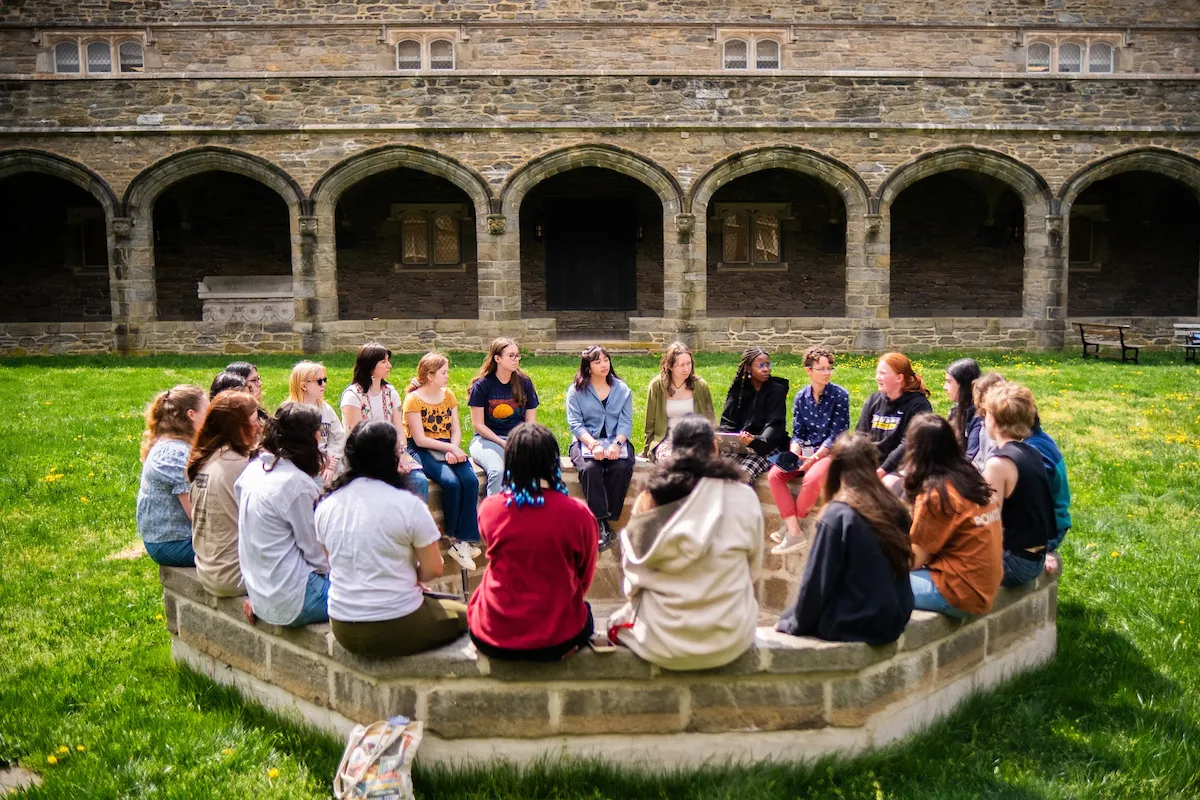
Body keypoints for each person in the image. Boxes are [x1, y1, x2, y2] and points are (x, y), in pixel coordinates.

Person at [608, 415, 763, 670]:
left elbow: (632, 574)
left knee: (614, 623)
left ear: (673, 450)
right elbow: (753, 569)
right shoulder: (744, 496)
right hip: (729, 637)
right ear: (714, 447)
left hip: (661, 638)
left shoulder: (651, 499)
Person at [316, 421, 468, 658]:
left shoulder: (327, 504)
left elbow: (333, 562)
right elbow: (434, 568)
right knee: (470, 617)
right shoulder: (408, 505)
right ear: (393, 457)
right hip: (395, 622)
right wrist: (410, 578)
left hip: (342, 624)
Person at [468, 423, 598, 661]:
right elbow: (584, 578)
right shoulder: (579, 514)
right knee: (586, 614)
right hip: (558, 639)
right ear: (553, 461)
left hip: (493, 634)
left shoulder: (489, 509)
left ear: (511, 461)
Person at [775, 433, 914, 646]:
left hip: (857, 623)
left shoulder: (837, 516)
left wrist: (793, 623)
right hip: (894, 619)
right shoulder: (895, 508)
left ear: (836, 468)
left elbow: (817, 584)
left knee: (787, 616)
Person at [236, 404, 329, 627]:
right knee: (377, 596)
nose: (322, 437)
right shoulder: (296, 485)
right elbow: (315, 554)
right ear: (310, 438)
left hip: (262, 593)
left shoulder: (252, 470)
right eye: (320, 431)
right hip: (295, 599)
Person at [901, 414, 1003, 618]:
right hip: (984, 585)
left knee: (873, 581)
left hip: (959, 592)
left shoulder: (937, 495)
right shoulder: (969, 477)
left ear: (915, 450)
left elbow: (914, 561)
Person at [767, 346, 851, 555]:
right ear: (809, 371)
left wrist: (815, 457)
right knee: (775, 475)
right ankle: (794, 530)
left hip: (831, 453)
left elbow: (837, 435)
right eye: (821, 369)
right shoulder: (801, 397)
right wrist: (794, 453)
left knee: (812, 480)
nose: (827, 373)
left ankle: (790, 527)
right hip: (805, 452)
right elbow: (798, 432)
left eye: (829, 368)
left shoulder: (840, 395)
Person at [404, 352, 481, 568]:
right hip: (423, 447)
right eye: (443, 372)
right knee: (450, 482)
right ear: (429, 375)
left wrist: (453, 447)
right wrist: (449, 448)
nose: (448, 375)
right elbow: (419, 438)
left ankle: (464, 540)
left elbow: (455, 428)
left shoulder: (448, 395)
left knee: (470, 480)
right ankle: (453, 539)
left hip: (448, 444)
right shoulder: (413, 400)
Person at [187, 391, 263, 597]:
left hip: (208, 571)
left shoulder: (205, 457)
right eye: (255, 421)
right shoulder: (240, 467)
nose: (259, 427)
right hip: (236, 577)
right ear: (237, 427)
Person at [981, 383, 1055, 587]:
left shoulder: (998, 464)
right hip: (1035, 557)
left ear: (993, 420)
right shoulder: (1032, 452)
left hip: (1014, 563)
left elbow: (989, 522)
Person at [566, 345, 635, 551]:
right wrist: (594, 444)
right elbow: (575, 424)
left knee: (621, 468)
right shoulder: (576, 391)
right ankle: (600, 523)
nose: (604, 365)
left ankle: (605, 520)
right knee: (589, 469)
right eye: (598, 362)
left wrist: (617, 444)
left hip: (617, 441)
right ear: (588, 367)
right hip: (586, 442)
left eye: (606, 360)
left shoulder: (622, 389)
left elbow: (627, 423)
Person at [339, 342, 428, 501]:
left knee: (419, 481)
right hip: (363, 459)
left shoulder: (390, 392)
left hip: (392, 452)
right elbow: (358, 438)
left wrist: (400, 456)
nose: (389, 365)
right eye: (384, 362)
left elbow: (399, 429)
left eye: (388, 360)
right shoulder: (352, 396)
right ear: (370, 366)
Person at [136, 385, 209, 567]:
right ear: (191, 414)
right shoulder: (174, 453)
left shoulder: (174, 444)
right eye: (207, 411)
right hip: (172, 544)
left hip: (173, 539)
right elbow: (195, 513)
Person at [467, 338, 539, 496]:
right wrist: (501, 442)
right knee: (498, 471)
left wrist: (520, 442)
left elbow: (530, 422)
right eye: (511, 356)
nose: (516, 360)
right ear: (497, 359)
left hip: (517, 439)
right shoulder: (482, 385)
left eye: (518, 355)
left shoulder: (525, 383)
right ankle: (494, 518)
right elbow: (478, 425)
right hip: (486, 440)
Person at [718, 347, 789, 485]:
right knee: (719, 472)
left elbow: (775, 426)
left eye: (768, 364)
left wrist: (755, 441)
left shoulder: (776, 390)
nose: (766, 369)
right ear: (749, 368)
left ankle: (744, 506)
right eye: (760, 365)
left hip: (765, 447)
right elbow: (727, 422)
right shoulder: (739, 389)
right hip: (739, 446)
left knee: (743, 476)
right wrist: (722, 437)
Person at [855, 352, 932, 479]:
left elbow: (908, 444)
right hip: (873, 465)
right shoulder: (873, 400)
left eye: (883, 373)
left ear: (899, 378)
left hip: (901, 467)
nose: (877, 377)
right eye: (877, 373)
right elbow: (861, 434)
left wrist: (883, 471)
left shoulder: (918, 405)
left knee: (887, 485)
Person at [641, 341, 715, 464]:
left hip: (695, 437)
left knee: (696, 461)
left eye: (689, 363)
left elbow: (710, 419)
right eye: (681, 365)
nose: (686, 369)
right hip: (668, 438)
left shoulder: (700, 386)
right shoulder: (657, 386)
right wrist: (647, 449)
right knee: (674, 462)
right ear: (669, 366)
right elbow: (650, 422)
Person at [1024, 412, 1072, 578]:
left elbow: (1033, 506)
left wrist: (1039, 548)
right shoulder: (1039, 439)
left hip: (1049, 532)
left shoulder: (1034, 452)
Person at [287, 360, 346, 484]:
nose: (324, 384)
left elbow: (338, 437)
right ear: (304, 386)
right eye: (319, 381)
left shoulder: (326, 409)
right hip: (302, 467)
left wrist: (330, 462)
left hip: (328, 463)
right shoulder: (290, 412)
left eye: (325, 380)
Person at [944, 358, 983, 460]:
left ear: (963, 384)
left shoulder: (978, 416)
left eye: (949, 382)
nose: (945, 387)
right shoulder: (956, 410)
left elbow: (970, 457)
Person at [970, 373, 1007, 472]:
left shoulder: (995, 427)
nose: (973, 400)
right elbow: (978, 459)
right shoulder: (984, 423)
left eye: (976, 394)